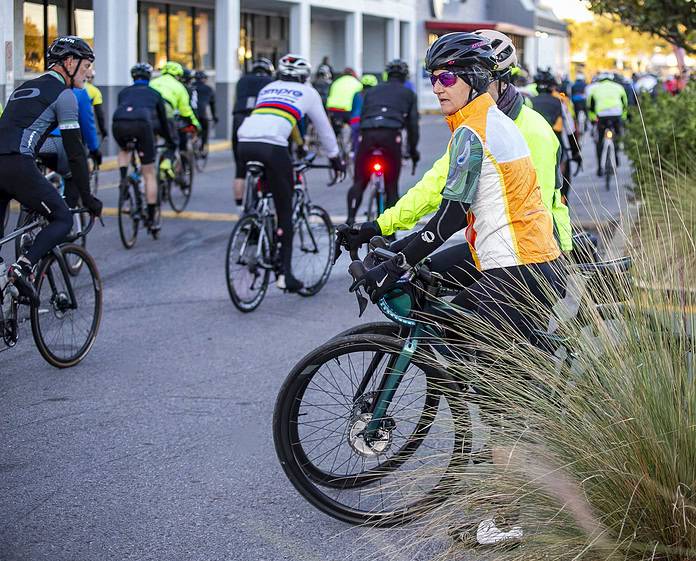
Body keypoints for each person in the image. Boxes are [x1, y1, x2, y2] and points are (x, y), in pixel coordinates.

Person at [347, 32, 561, 545]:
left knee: (501, 400)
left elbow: (445, 217)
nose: (436, 88)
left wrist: (395, 255)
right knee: (482, 372)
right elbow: (447, 203)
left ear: (475, 80)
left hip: (516, 271)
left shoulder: (476, 131)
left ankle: (506, 518)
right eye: (431, 79)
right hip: (520, 266)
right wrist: (389, 239)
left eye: (446, 78)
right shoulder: (486, 122)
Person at [0, 35, 102, 303]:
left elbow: (18, 130)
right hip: (17, 164)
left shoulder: (21, 89)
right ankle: (22, 268)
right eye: (86, 65)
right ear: (69, 62)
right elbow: (76, 153)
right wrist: (88, 197)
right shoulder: (65, 96)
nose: (88, 72)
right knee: (62, 219)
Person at [236, 53, 345, 292]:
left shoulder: (269, 88)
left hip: (244, 141)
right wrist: (336, 158)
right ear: (305, 76)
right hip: (272, 146)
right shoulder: (309, 92)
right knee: (284, 209)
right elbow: (324, 130)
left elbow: (270, 117)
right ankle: (285, 275)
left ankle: (256, 219)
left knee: (268, 189)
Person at [346, 60, 419, 225]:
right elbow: (413, 126)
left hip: (368, 135)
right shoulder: (408, 94)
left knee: (359, 181)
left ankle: (350, 219)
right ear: (405, 76)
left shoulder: (372, 91)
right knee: (391, 186)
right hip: (391, 136)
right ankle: (390, 231)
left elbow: (363, 116)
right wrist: (413, 151)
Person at [112, 62, 177, 228]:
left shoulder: (123, 92)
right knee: (149, 172)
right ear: (149, 77)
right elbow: (163, 122)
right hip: (142, 125)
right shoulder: (155, 93)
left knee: (125, 149)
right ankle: (150, 215)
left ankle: (123, 179)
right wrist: (170, 141)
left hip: (119, 123)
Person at [38, 77, 101, 208]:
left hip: (36, 143)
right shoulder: (79, 92)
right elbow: (88, 126)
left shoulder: (40, 89)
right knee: (74, 175)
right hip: (59, 143)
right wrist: (94, 149)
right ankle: (65, 219)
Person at [530, 69, 581, 199]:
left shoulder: (529, 102)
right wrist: (576, 152)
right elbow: (570, 131)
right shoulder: (560, 102)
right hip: (556, 147)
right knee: (562, 188)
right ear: (553, 86)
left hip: (532, 148)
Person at [231, 57, 275, 207]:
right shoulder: (271, 82)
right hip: (259, 119)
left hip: (239, 118)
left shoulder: (241, 81)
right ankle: (265, 199)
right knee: (267, 163)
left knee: (240, 167)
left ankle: (239, 208)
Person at [149, 60, 201, 169]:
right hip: (166, 115)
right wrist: (195, 124)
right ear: (178, 75)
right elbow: (185, 110)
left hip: (149, 115)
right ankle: (166, 164)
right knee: (173, 141)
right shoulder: (179, 87)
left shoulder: (152, 83)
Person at [587, 72, 627, 176]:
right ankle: (616, 155)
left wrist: (592, 119)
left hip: (601, 116)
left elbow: (590, 106)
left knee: (599, 141)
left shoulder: (595, 88)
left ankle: (600, 168)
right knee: (617, 136)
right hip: (616, 114)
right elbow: (625, 103)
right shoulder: (618, 87)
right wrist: (623, 117)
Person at [325, 68, 363, 134]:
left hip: (333, 109)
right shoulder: (357, 83)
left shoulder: (336, 82)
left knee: (335, 131)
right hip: (348, 110)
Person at [192, 70, 218, 149]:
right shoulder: (208, 89)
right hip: (202, 114)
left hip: (191, 114)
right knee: (205, 130)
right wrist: (214, 117)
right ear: (205, 79)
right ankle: (203, 146)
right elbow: (212, 104)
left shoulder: (190, 87)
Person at [84, 68, 108, 140]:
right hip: (85, 123)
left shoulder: (73, 87)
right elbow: (99, 114)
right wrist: (103, 131)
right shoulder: (95, 91)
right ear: (92, 78)